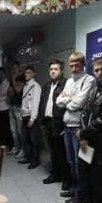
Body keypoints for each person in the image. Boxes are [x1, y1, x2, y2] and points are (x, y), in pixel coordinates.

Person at [56, 52, 95, 203]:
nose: (73, 69)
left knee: (80, 164)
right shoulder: (69, 81)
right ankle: (74, 188)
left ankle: (81, 194)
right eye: (71, 66)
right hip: (67, 125)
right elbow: (58, 101)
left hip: (79, 128)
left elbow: (79, 103)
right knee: (71, 161)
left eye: (76, 65)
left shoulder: (89, 80)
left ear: (83, 65)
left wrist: (68, 99)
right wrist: (70, 99)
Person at [78, 57, 102, 203]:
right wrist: (84, 134)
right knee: (88, 172)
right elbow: (85, 111)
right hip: (89, 139)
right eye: (96, 70)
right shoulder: (95, 89)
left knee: (100, 177)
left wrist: (84, 132)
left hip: (101, 140)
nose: (100, 73)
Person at [38, 59, 71, 190]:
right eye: (51, 69)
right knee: (52, 150)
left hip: (59, 123)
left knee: (62, 152)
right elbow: (42, 103)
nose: (53, 71)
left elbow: (68, 104)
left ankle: (66, 178)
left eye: (56, 69)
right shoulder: (47, 85)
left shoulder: (66, 84)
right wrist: (41, 120)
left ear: (61, 71)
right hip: (47, 122)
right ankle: (55, 174)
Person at [19, 66, 42, 169]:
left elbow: (36, 103)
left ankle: (35, 160)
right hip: (25, 116)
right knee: (26, 139)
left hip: (31, 117)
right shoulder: (25, 86)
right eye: (25, 73)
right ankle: (28, 157)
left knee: (34, 140)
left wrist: (32, 119)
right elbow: (23, 102)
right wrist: (21, 116)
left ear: (33, 74)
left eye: (28, 73)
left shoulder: (36, 86)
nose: (26, 75)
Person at [8, 74, 25, 157]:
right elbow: (9, 94)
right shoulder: (13, 82)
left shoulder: (22, 80)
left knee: (20, 131)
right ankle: (16, 147)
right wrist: (13, 88)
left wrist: (14, 79)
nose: (13, 71)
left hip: (18, 108)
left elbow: (18, 90)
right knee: (13, 130)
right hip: (11, 107)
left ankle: (23, 149)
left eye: (15, 68)